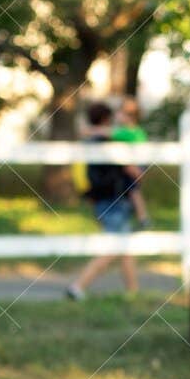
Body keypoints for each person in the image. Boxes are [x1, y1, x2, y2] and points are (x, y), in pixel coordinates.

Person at [67, 102, 140, 299]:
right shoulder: (109, 144)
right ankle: (77, 287)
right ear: (106, 119)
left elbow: (81, 176)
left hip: (98, 200)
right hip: (114, 200)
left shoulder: (86, 144)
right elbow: (132, 167)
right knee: (115, 247)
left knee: (125, 249)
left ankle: (133, 293)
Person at [111, 96, 150, 227]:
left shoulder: (128, 132)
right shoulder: (137, 131)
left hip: (134, 165)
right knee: (131, 191)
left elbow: (109, 133)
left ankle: (143, 218)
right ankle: (137, 218)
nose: (117, 115)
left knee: (134, 192)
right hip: (136, 164)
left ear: (129, 116)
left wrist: (89, 130)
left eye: (120, 112)